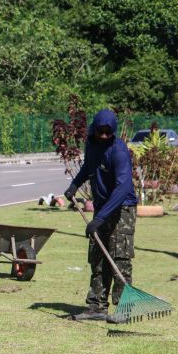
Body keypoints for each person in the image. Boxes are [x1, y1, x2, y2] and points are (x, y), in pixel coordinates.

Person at [64, 109, 137, 322]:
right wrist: (74, 185)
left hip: (122, 208)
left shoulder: (119, 151)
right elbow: (89, 166)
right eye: (100, 132)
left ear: (113, 132)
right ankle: (96, 305)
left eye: (108, 133)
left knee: (119, 257)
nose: (104, 136)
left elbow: (123, 187)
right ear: (94, 129)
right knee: (97, 256)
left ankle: (125, 309)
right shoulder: (92, 144)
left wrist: (100, 218)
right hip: (102, 207)